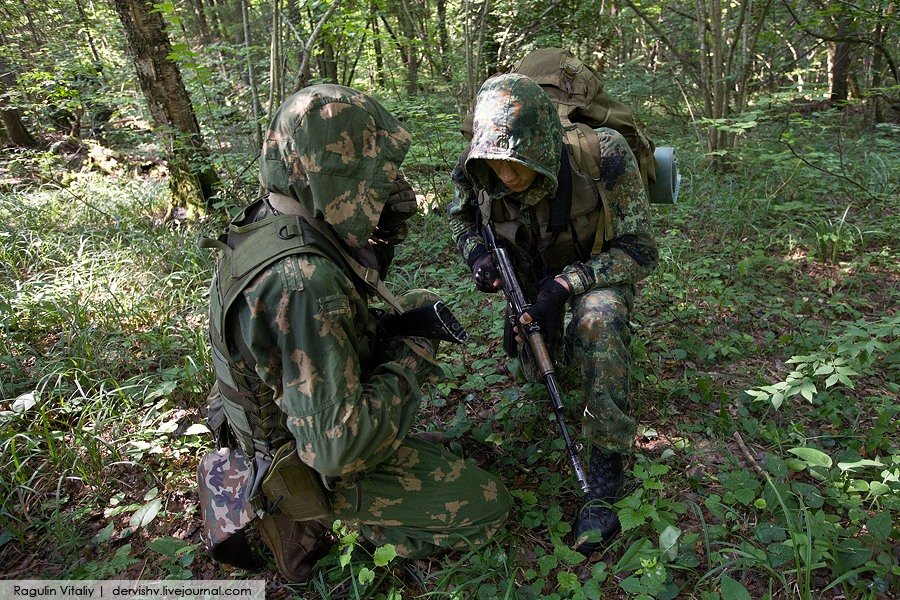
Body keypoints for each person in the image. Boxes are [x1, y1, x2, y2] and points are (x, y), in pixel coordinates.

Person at [203, 83, 510, 582]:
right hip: (308, 460)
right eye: (369, 169)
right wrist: (412, 353)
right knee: (486, 504)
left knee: (408, 314)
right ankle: (311, 521)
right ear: (333, 170)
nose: (385, 184)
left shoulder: (273, 218)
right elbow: (336, 451)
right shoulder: (302, 280)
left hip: (289, 419)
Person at [448, 73, 658, 553]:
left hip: (593, 274)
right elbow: (460, 218)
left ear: (543, 145)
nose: (504, 177)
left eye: (515, 165)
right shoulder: (475, 164)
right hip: (527, 275)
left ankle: (604, 467)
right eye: (495, 165)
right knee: (532, 370)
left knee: (598, 319)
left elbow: (641, 251)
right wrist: (478, 255)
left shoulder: (603, 154)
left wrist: (566, 286)